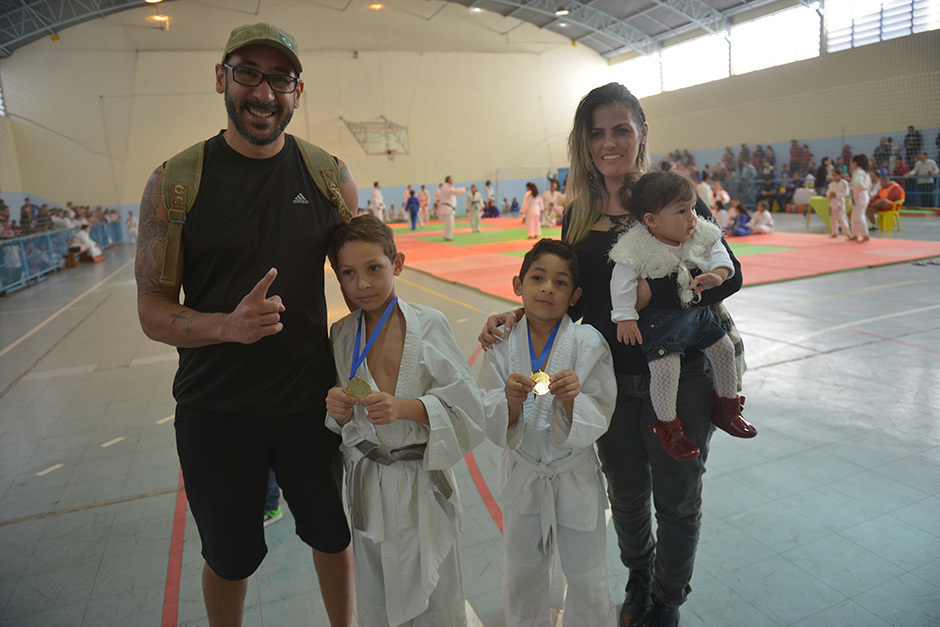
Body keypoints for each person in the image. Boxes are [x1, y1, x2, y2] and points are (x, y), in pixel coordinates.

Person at [480, 83, 744, 627]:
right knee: (625, 498)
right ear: (584, 141)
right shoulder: (577, 216)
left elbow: (729, 275)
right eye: (596, 132)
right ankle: (640, 580)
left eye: (621, 129)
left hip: (684, 376)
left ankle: (667, 602)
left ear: (641, 133)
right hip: (612, 383)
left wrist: (658, 296)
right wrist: (516, 316)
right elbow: (563, 290)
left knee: (677, 499)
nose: (609, 143)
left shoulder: (672, 196)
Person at [134, 23, 358, 626]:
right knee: (229, 559)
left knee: (332, 536)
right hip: (216, 411)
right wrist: (225, 327)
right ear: (221, 79)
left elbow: (364, 280)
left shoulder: (328, 176)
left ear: (297, 91)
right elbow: (152, 307)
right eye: (248, 75)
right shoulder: (174, 183)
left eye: (279, 79)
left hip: (311, 407)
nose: (264, 93)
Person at [324, 215, 484, 626]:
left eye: (373, 268)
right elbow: (347, 425)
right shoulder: (342, 334)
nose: (362, 284)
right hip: (370, 484)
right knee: (377, 597)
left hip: (420, 482)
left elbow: (468, 410)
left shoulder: (430, 324)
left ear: (397, 263)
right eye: (349, 274)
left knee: (438, 599)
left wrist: (407, 407)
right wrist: (337, 412)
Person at [477, 238, 616, 626]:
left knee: (587, 577)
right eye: (538, 278)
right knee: (521, 575)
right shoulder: (501, 341)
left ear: (575, 296)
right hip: (524, 474)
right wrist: (509, 401)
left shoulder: (588, 343)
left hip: (573, 476)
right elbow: (484, 403)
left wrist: (573, 401)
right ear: (518, 285)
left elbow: (602, 408)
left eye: (560, 282)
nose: (548, 289)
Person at [609, 169, 753, 461]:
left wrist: (718, 274)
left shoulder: (696, 229)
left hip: (699, 315)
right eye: (682, 211)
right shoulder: (636, 245)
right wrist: (625, 316)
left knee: (724, 350)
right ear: (651, 220)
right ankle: (667, 426)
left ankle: (727, 407)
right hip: (661, 324)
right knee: (665, 369)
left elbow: (719, 251)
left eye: (691, 208)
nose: (692, 217)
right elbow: (621, 281)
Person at [850, 154, 871, 242]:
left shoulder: (859, 172)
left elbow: (859, 184)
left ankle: (865, 235)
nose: (851, 164)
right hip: (863, 194)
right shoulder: (863, 172)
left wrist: (856, 193)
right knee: (854, 216)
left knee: (859, 216)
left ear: (855, 163)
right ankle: (855, 234)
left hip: (859, 195)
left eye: (852, 162)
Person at [826, 169, 852, 239]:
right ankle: (834, 233)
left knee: (843, 218)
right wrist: (829, 195)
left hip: (840, 202)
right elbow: (828, 193)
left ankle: (847, 233)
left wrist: (836, 194)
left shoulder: (844, 183)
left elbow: (846, 193)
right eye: (833, 175)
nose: (834, 177)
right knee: (833, 218)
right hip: (832, 202)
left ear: (840, 175)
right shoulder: (831, 184)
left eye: (835, 175)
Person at [438, 175, 466, 241]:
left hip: (448, 208)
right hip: (447, 208)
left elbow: (453, 191)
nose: (452, 181)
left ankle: (446, 235)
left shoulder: (447, 187)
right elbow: (453, 192)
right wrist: (463, 189)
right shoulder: (446, 187)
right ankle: (448, 237)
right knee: (450, 224)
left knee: (449, 224)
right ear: (448, 180)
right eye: (451, 180)